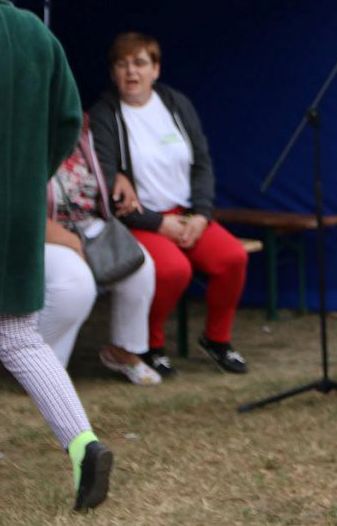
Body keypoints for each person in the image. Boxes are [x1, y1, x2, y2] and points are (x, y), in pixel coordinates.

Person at [0, 0, 113, 510]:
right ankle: (83, 442)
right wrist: (24, 178)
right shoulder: (35, 32)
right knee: (18, 338)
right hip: (13, 209)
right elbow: (67, 122)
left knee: (15, 339)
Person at [89, 32, 249, 377]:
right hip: (139, 220)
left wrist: (203, 216)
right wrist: (157, 223)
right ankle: (151, 346)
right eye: (122, 64)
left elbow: (202, 164)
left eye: (140, 63)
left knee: (232, 258)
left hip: (187, 214)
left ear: (156, 69)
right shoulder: (106, 114)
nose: (131, 72)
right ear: (114, 73)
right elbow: (105, 186)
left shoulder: (176, 103)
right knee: (173, 270)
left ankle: (217, 339)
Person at [40, 117, 161, 385]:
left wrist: (119, 176)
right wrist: (70, 242)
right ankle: (42, 368)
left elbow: (107, 167)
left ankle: (123, 350)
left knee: (139, 267)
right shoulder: (15, 137)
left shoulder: (82, 134)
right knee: (77, 283)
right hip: (36, 229)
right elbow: (12, 204)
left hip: (87, 223)